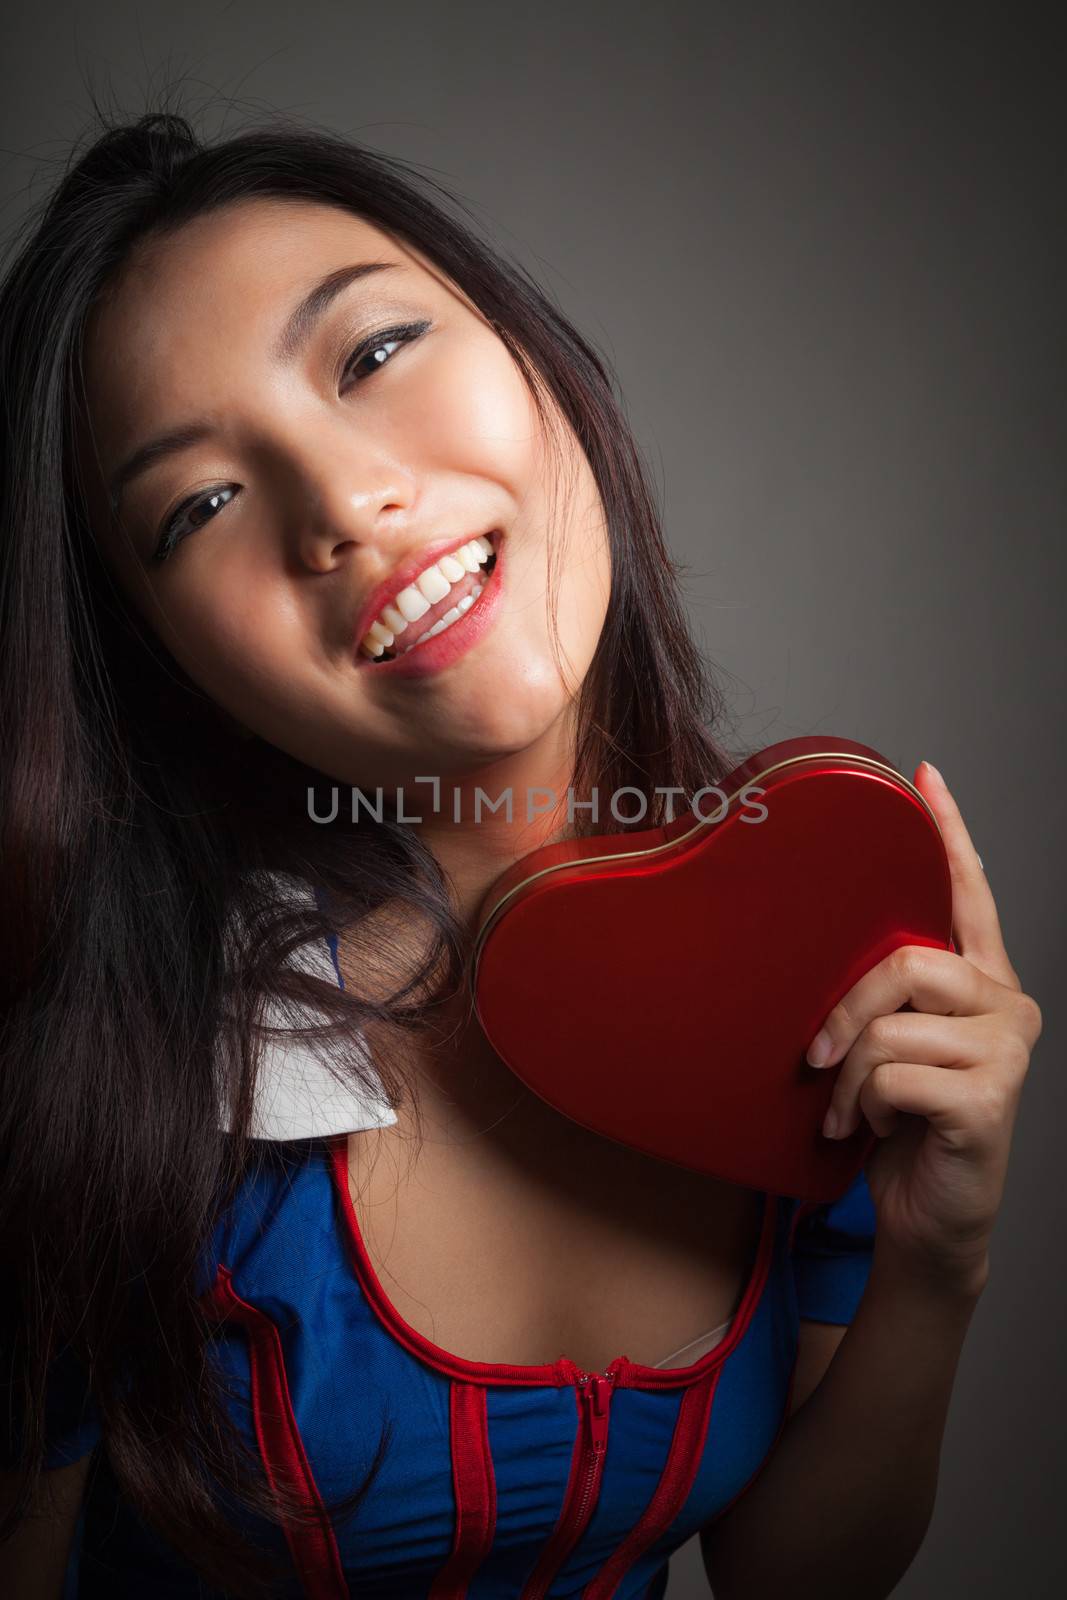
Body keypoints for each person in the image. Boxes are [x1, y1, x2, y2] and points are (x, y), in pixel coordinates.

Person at [0, 103, 1042, 1600]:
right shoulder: (97, 1072)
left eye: (371, 355)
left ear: (533, 357)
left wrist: (940, 1261)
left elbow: (790, 1577)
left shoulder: (814, 929)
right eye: (202, 505)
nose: (346, 504)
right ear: (160, 660)